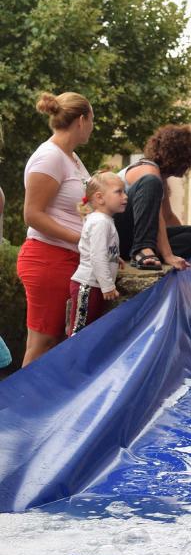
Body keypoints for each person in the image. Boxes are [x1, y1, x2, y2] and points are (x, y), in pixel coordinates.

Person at [17, 91, 93, 366]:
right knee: (42, 343)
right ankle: (20, 408)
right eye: (92, 121)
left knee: (57, 342)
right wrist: (81, 240)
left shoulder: (72, 158)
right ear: (82, 120)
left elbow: (79, 210)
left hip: (70, 258)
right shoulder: (49, 157)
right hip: (47, 257)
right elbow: (32, 215)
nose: (92, 128)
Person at [115, 125, 191, 272]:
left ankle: (146, 252)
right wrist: (168, 254)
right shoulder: (148, 171)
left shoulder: (160, 179)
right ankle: (142, 250)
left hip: (131, 239)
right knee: (151, 181)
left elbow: (168, 217)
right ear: (181, 155)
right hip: (117, 233)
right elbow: (156, 217)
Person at [68, 172, 127, 336]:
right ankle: (73, 361)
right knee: (79, 333)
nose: (125, 196)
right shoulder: (100, 222)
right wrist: (108, 285)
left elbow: (100, 249)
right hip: (88, 286)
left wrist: (115, 257)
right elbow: (97, 256)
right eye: (119, 192)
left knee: (88, 331)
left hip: (94, 286)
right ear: (100, 198)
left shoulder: (103, 220)